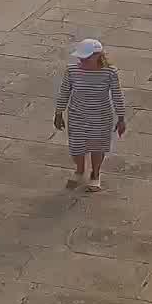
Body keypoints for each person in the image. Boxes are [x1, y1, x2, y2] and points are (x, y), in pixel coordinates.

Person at [53, 39, 126, 192]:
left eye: (86, 58)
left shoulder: (109, 72)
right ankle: (80, 170)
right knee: (77, 147)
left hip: (101, 117)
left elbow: (117, 95)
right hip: (77, 116)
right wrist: (59, 112)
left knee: (97, 147)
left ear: (97, 56)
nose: (82, 61)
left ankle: (95, 174)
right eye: (81, 58)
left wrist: (121, 118)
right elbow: (64, 92)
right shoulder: (72, 71)